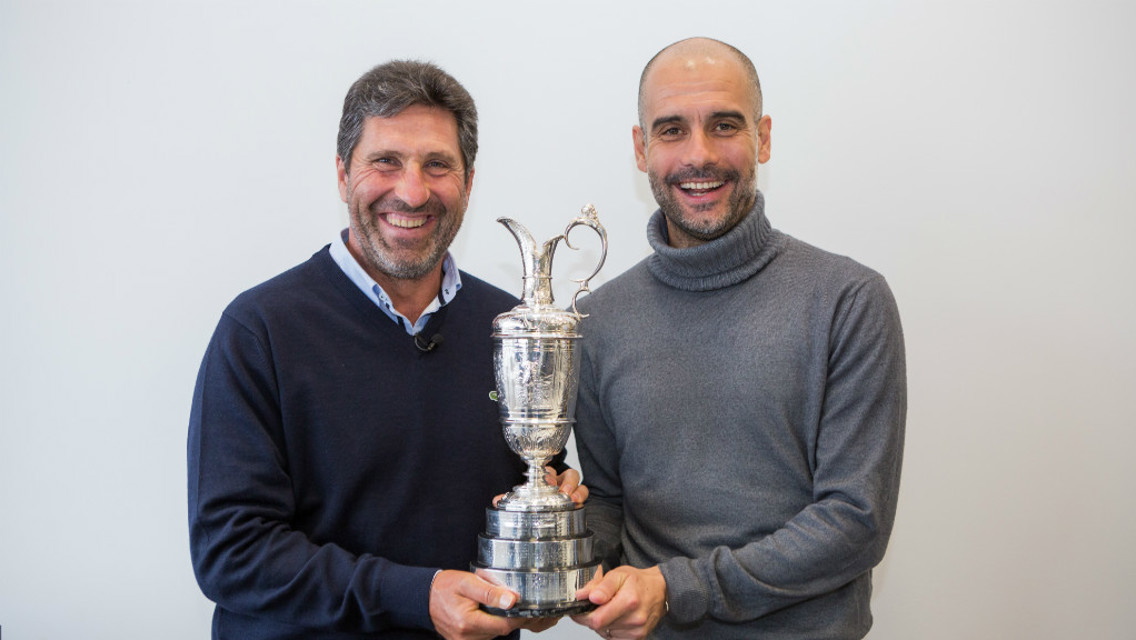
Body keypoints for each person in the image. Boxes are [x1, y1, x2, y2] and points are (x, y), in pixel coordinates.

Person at [187, 59, 586, 640]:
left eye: (437, 166)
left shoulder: (514, 330)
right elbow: (232, 553)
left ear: (469, 183)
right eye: (386, 162)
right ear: (344, 174)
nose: (412, 190)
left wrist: (542, 558)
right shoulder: (259, 331)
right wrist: (414, 595)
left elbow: (528, 485)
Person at [569, 37, 907, 639]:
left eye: (723, 125)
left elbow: (855, 523)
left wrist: (675, 588)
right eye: (671, 130)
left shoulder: (848, 301)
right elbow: (608, 505)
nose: (699, 155)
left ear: (764, 136)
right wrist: (562, 557)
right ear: (641, 148)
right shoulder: (599, 320)